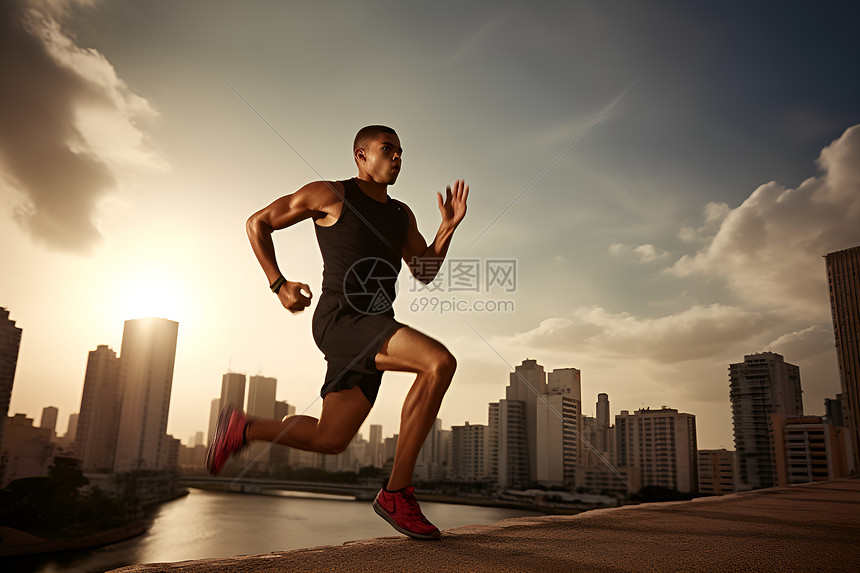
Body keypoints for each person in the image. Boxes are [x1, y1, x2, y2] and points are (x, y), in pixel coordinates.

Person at [207, 125, 469, 540]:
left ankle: (244, 428)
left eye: (401, 152)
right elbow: (258, 223)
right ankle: (396, 493)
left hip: (376, 324)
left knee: (332, 439)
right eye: (388, 150)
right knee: (439, 363)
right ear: (360, 156)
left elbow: (424, 270)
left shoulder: (401, 214)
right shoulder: (330, 194)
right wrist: (278, 284)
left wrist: (447, 228)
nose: (398, 157)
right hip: (342, 320)